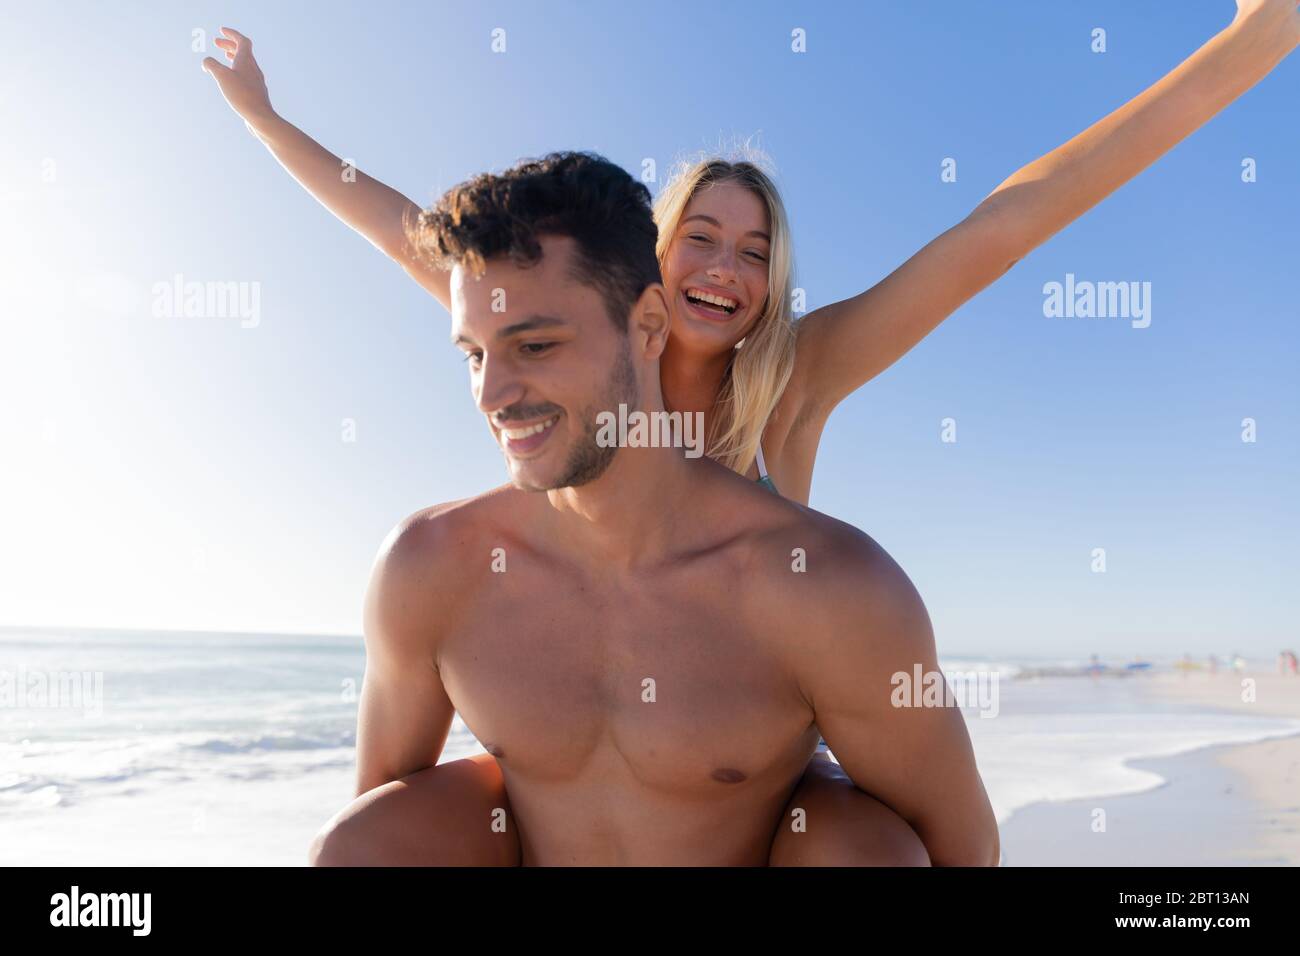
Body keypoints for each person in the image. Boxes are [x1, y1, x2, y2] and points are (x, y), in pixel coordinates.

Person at [200, 4, 1300, 862]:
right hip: (582, 749)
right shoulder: (549, 348)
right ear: (646, 260)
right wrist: (259, 115)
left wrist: (1252, 43)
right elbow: (409, 228)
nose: (726, 268)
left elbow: (1004, 223)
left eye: (756, 250)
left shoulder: (796, 378)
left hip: (746, 766)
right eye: (703, 237)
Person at [308, 151, 997, 865]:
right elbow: (388, 814)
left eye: (536, 345)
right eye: (474, 357)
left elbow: (962, 846)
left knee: (867, 853)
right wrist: (262, 116)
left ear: (646, 326)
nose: (491, 397)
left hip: (757, 825)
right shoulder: (433, 562)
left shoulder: (825, 570)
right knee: (360, 844)